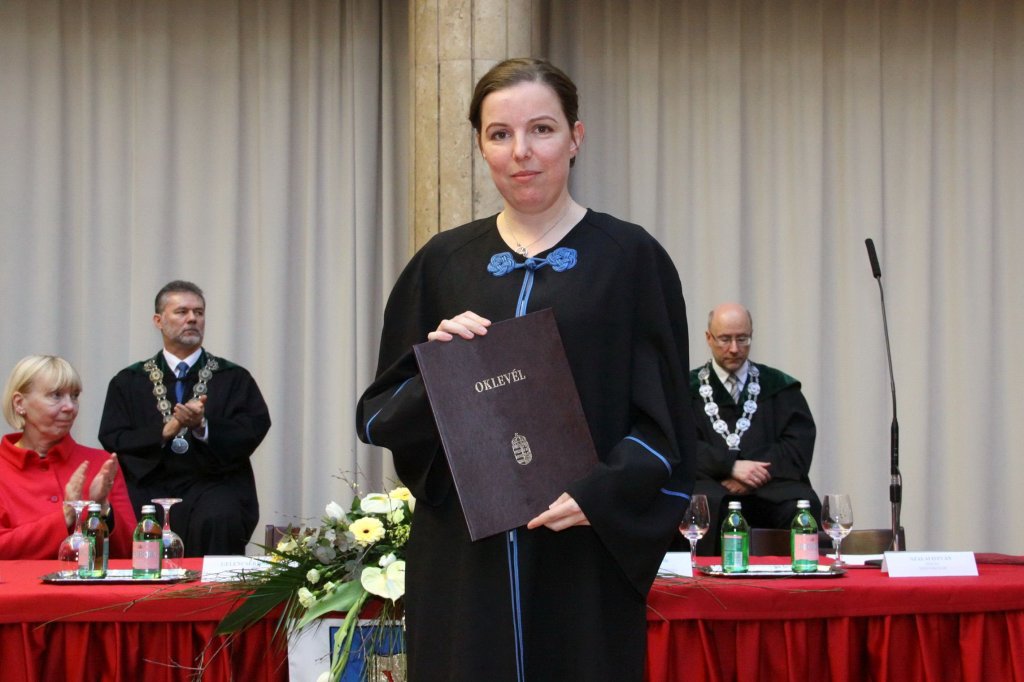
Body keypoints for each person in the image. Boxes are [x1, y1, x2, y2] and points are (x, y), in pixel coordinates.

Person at [356, 58, 695, 681]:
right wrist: (437, 370)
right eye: (500, 134)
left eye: (541, 129)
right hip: (464, 562)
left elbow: (668, 421)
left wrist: (601, 495)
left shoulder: (630, 258)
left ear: (575, 137)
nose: (522, 152)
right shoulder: (442, 262)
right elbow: (378, 415)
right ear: (481, 146)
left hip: (581, 553)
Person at [98, 280, 271, 556]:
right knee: (131, 515)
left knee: (220, 514)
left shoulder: (233, 377)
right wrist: (164, 432)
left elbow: (253, 427)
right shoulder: (129, 381)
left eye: (198, 312)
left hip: (213, 483)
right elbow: (113, 436)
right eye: (182, 312)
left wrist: (203, 427)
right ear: (158, 320)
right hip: (148, 485)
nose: (192, 318)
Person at [690, 302, 820, 555]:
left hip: (771, 487)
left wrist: (752, 474)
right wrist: (730, 467)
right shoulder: (686, 390)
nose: (734, 348)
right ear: (708, 338)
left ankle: (797, 578)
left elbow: (797, 445)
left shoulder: (779, 387)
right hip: (712, 486)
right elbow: (680, 445)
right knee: (701, 505)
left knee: (801, 506)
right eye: (725, 339)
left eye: (742, 339)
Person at [0, 355, 136, 559]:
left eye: (74, 396)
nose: (70, 407)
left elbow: (133, 552)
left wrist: (102, 509)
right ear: (20, 403)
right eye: (56, 395)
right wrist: (65, 516)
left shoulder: (101, 463)